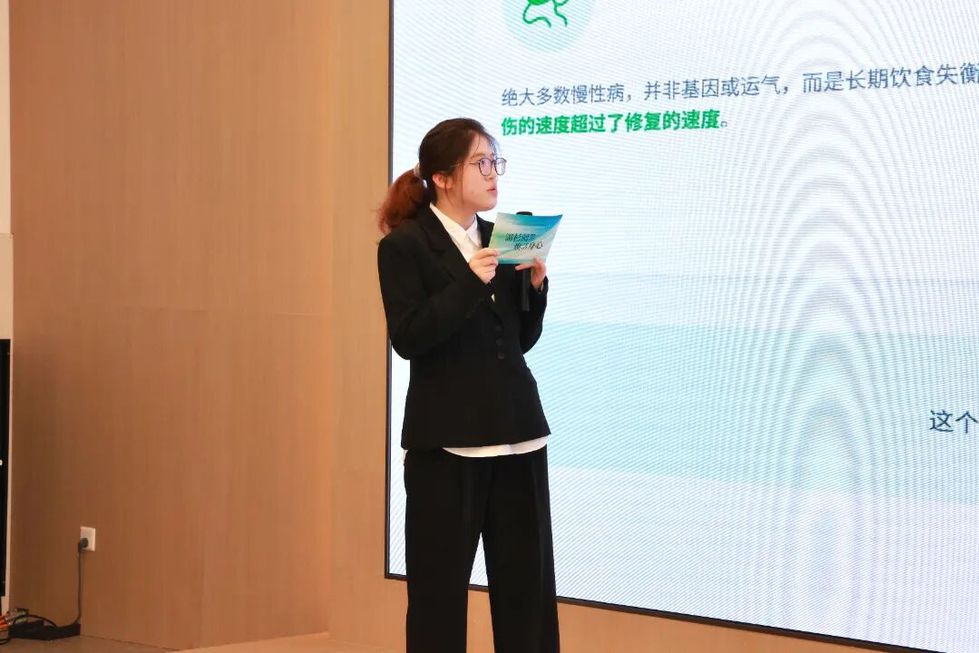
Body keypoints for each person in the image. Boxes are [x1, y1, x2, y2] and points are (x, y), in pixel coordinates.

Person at [377, 117, 559, 653]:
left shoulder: (503, 239)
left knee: (528, 595)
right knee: (437, 599)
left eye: (495, 161)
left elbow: (518, 341)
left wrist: (535, 289)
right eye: (481, 162)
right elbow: (409, 338)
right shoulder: (406, 246)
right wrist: (468, 281)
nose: (493, 173)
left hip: (519, 435)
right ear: (442, 177)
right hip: (448, 446)